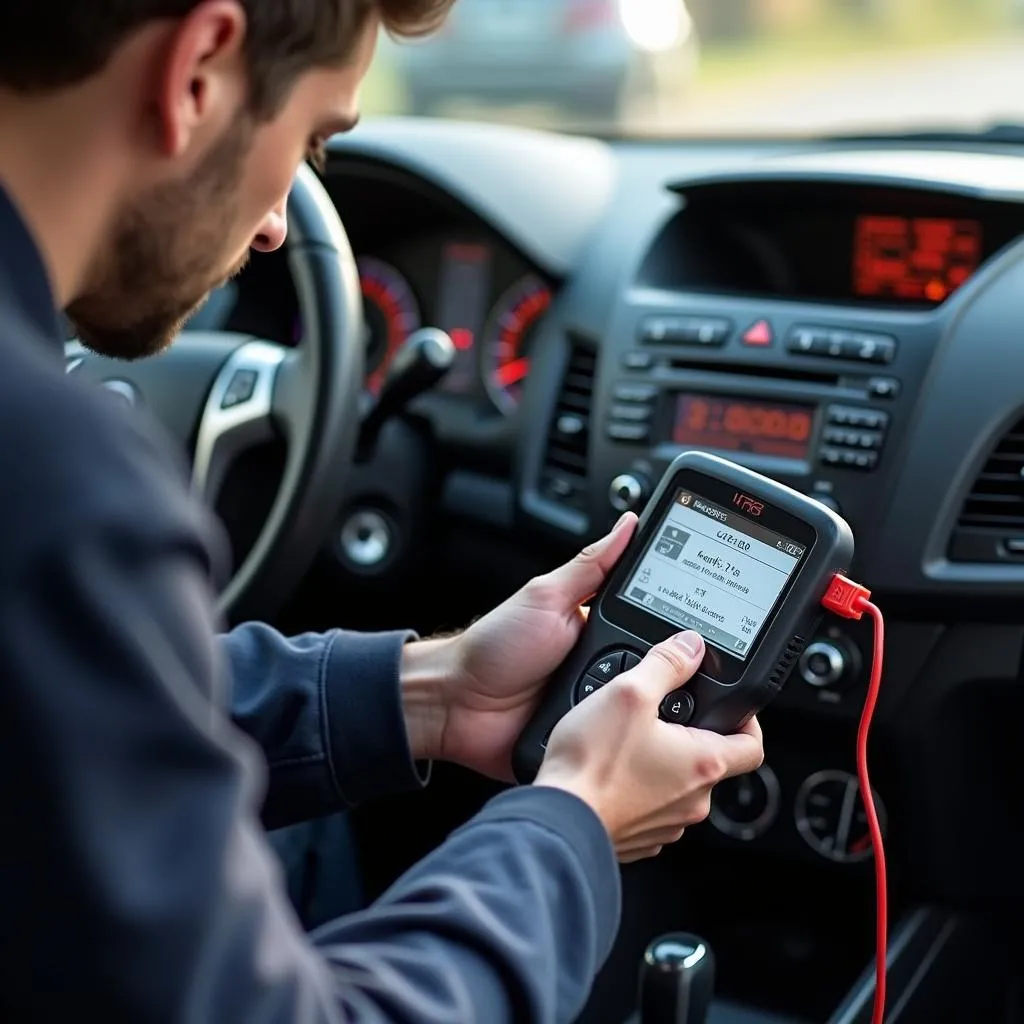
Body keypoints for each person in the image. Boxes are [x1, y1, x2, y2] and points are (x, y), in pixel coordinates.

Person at [0, 2, 765, 1021]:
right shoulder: (57, 477)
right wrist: (570, 822)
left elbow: (64, 723)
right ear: (198, 70)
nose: (278, 225)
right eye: (313, 139)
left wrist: (431, 690)